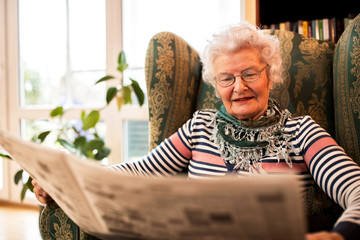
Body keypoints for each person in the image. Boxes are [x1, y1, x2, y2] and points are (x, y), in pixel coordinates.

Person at [33, 22, 360, 240]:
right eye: (226, 78)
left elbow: (357, 191)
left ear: (270, 75)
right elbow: (137, 172)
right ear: (215, 84)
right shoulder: (200, 128)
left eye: (249, 73)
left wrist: (339, 235)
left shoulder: (301, 132)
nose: (239, 87)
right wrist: (66, 179)